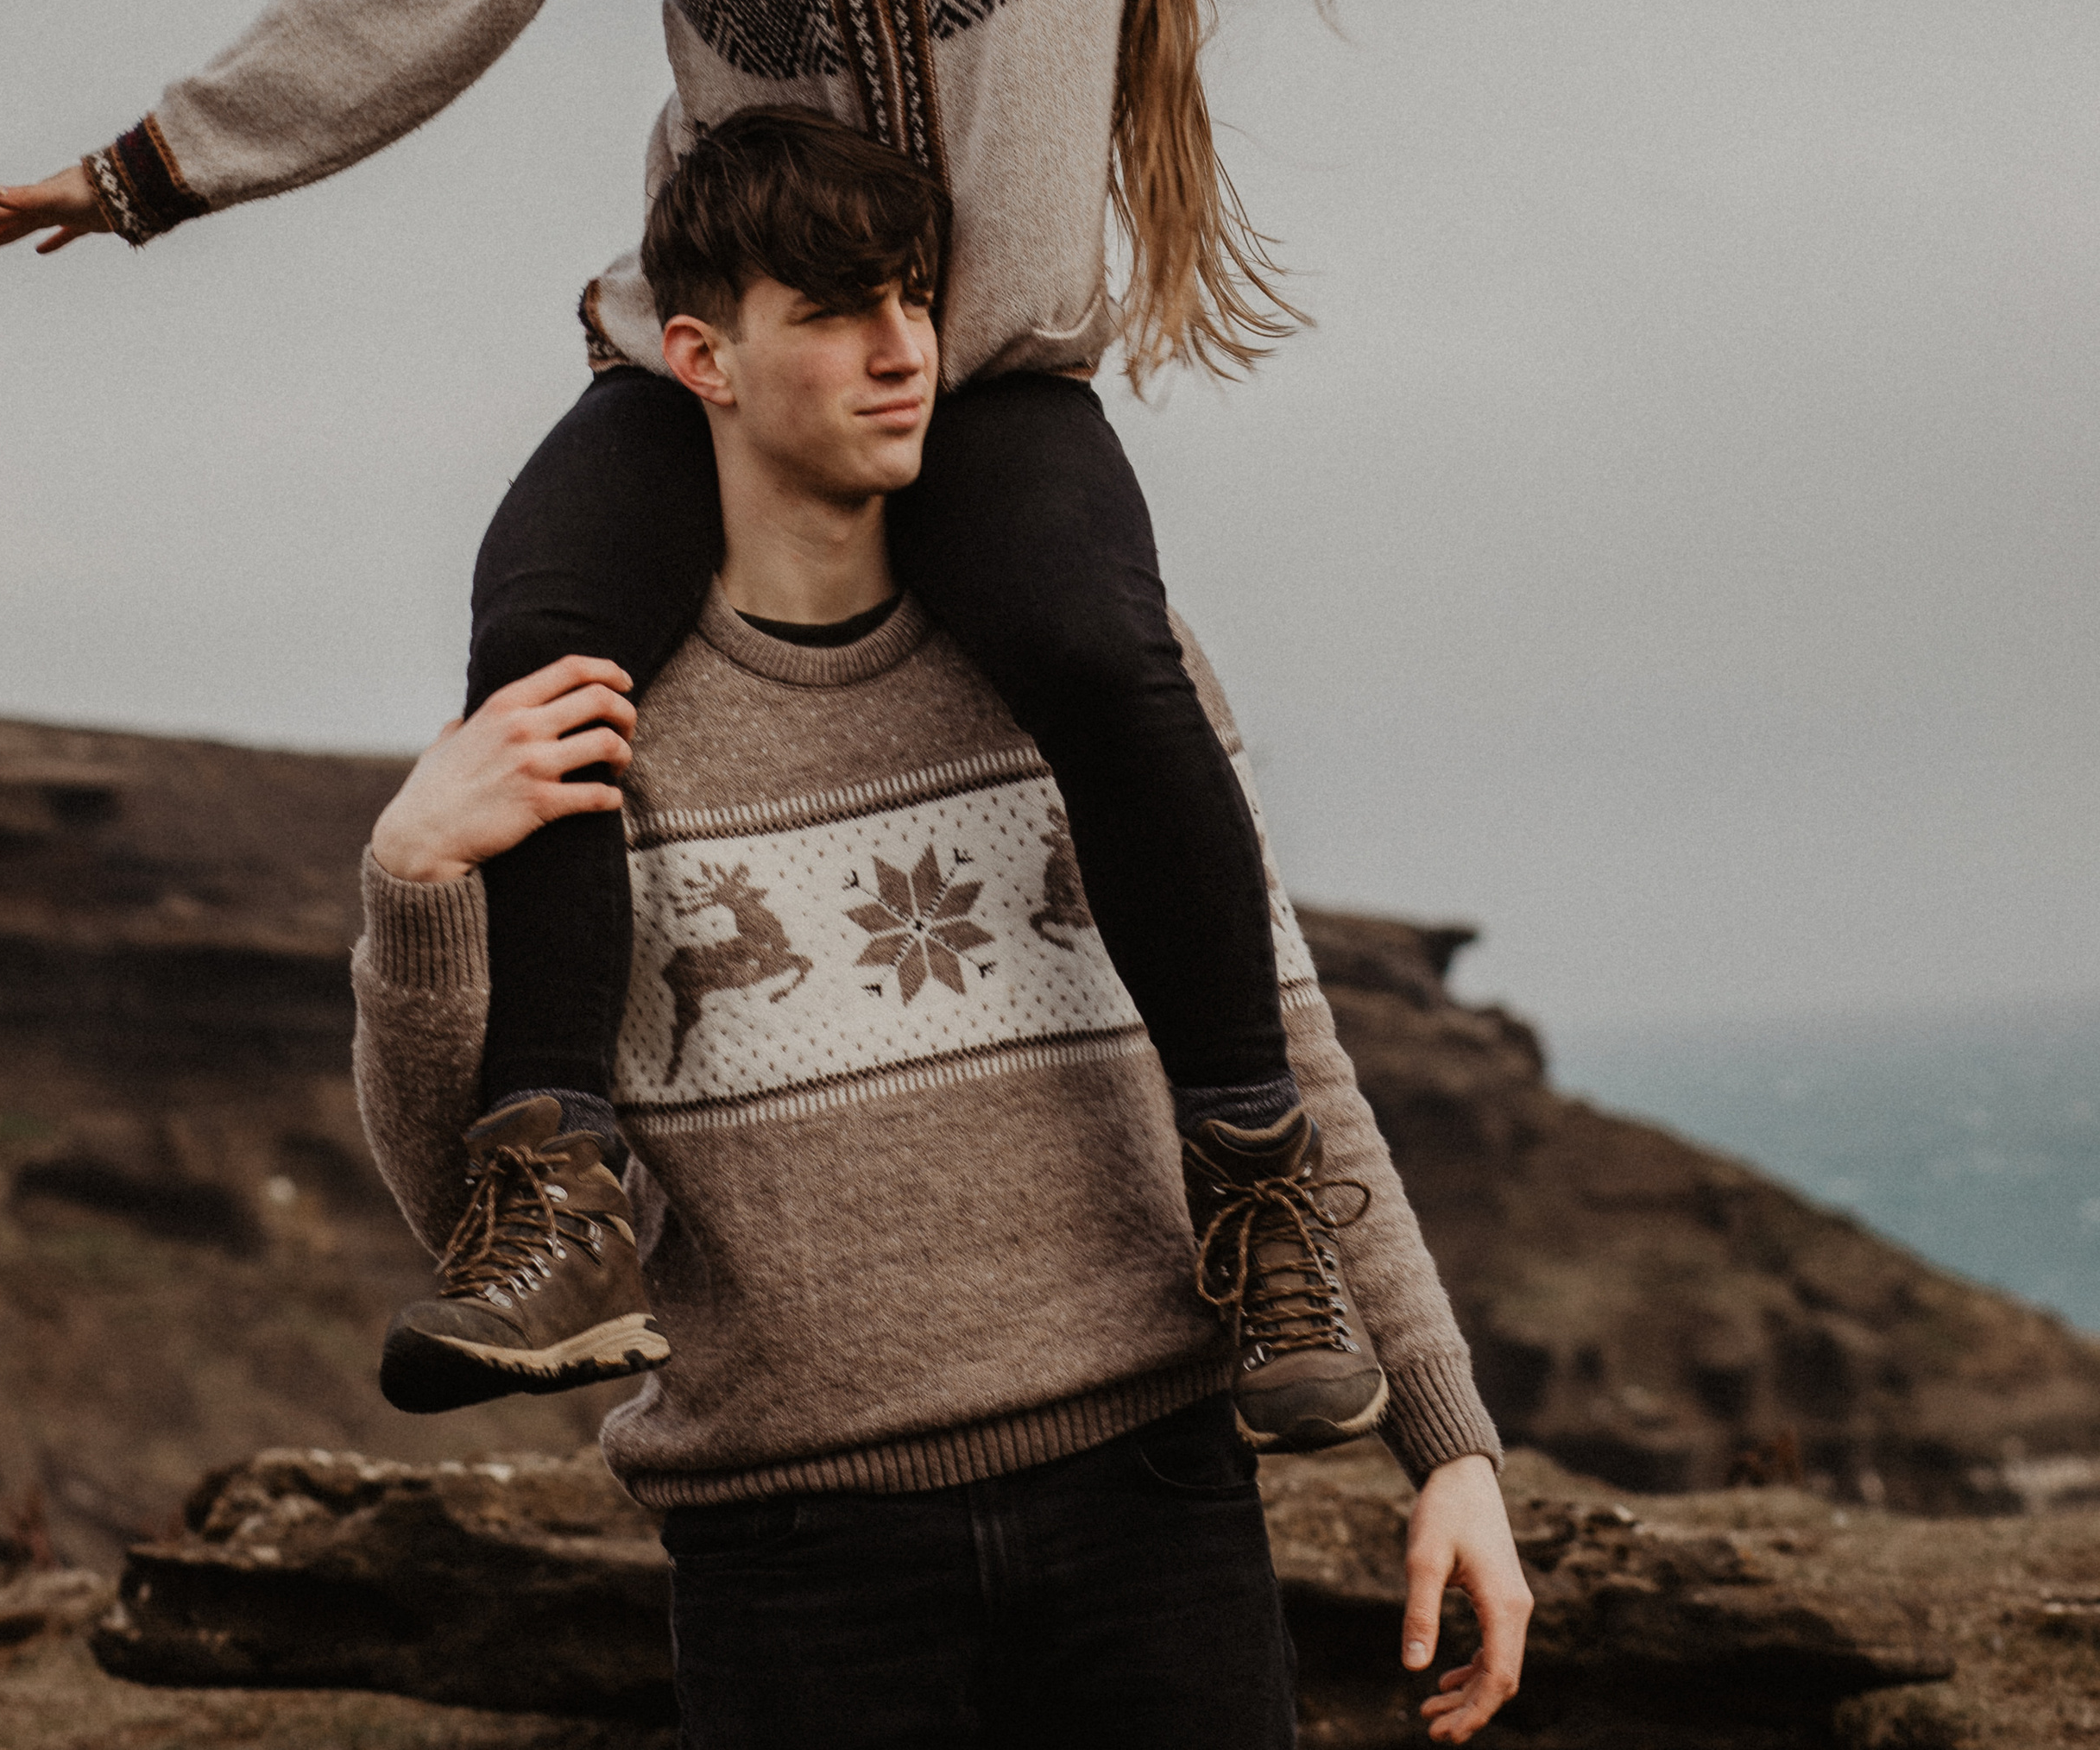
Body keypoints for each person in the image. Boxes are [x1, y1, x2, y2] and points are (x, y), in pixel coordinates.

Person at [0, 0, 1696, 1426]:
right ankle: (556, 1188)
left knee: (1097, 650)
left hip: (979, 374)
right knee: (541, 630)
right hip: (696, 372)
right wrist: (161, 163)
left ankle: (1254, 1203)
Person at [352, 108, 1533, 1750]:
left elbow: (1284, 1056)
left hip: (1155, 1511)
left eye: (915, 298)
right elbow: (472, 1214)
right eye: (837, 312)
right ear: (699, 357)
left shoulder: (1103, 672)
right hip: (791, 1564)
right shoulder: (591, 730)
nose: (905, 351)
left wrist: (1448, 1445)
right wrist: (413, 887)